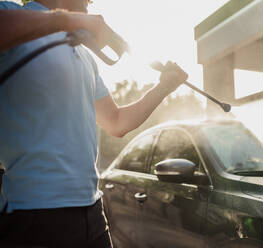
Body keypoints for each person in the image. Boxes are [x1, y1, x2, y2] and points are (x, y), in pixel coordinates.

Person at [0, 0, 188, 247]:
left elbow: (116, 122)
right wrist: (67, 20)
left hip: (92, 213)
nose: (91, 2)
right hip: (34, 215)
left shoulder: (85, 56)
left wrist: (164, 87)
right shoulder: (12, 13)